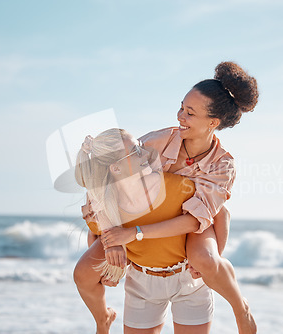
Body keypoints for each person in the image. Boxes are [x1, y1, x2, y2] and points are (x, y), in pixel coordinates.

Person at [98, 61, 259, 334]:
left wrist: (135, 233)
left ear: (213, 123)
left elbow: (196, 219)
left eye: (190, 113)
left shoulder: (223, 165)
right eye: (182, 107)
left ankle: (239, 307)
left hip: (192, 226)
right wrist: (112, 238)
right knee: (86, 266)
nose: (180, 116)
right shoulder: (155, 142)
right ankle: (100, 318)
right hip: (150, 244)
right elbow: (105, 179)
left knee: (206, 260)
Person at [74, 128, 214, 333]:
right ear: (116, 169)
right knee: (82, 272)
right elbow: (94, 234)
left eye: (140, 147)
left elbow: (216, 215)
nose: (145, 153)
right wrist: (113, 266)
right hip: (142, 283)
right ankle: (102, 319)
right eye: (135, 152)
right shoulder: (104, 208)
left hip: (188, 279)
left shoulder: (175, 186)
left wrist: (210, 262)